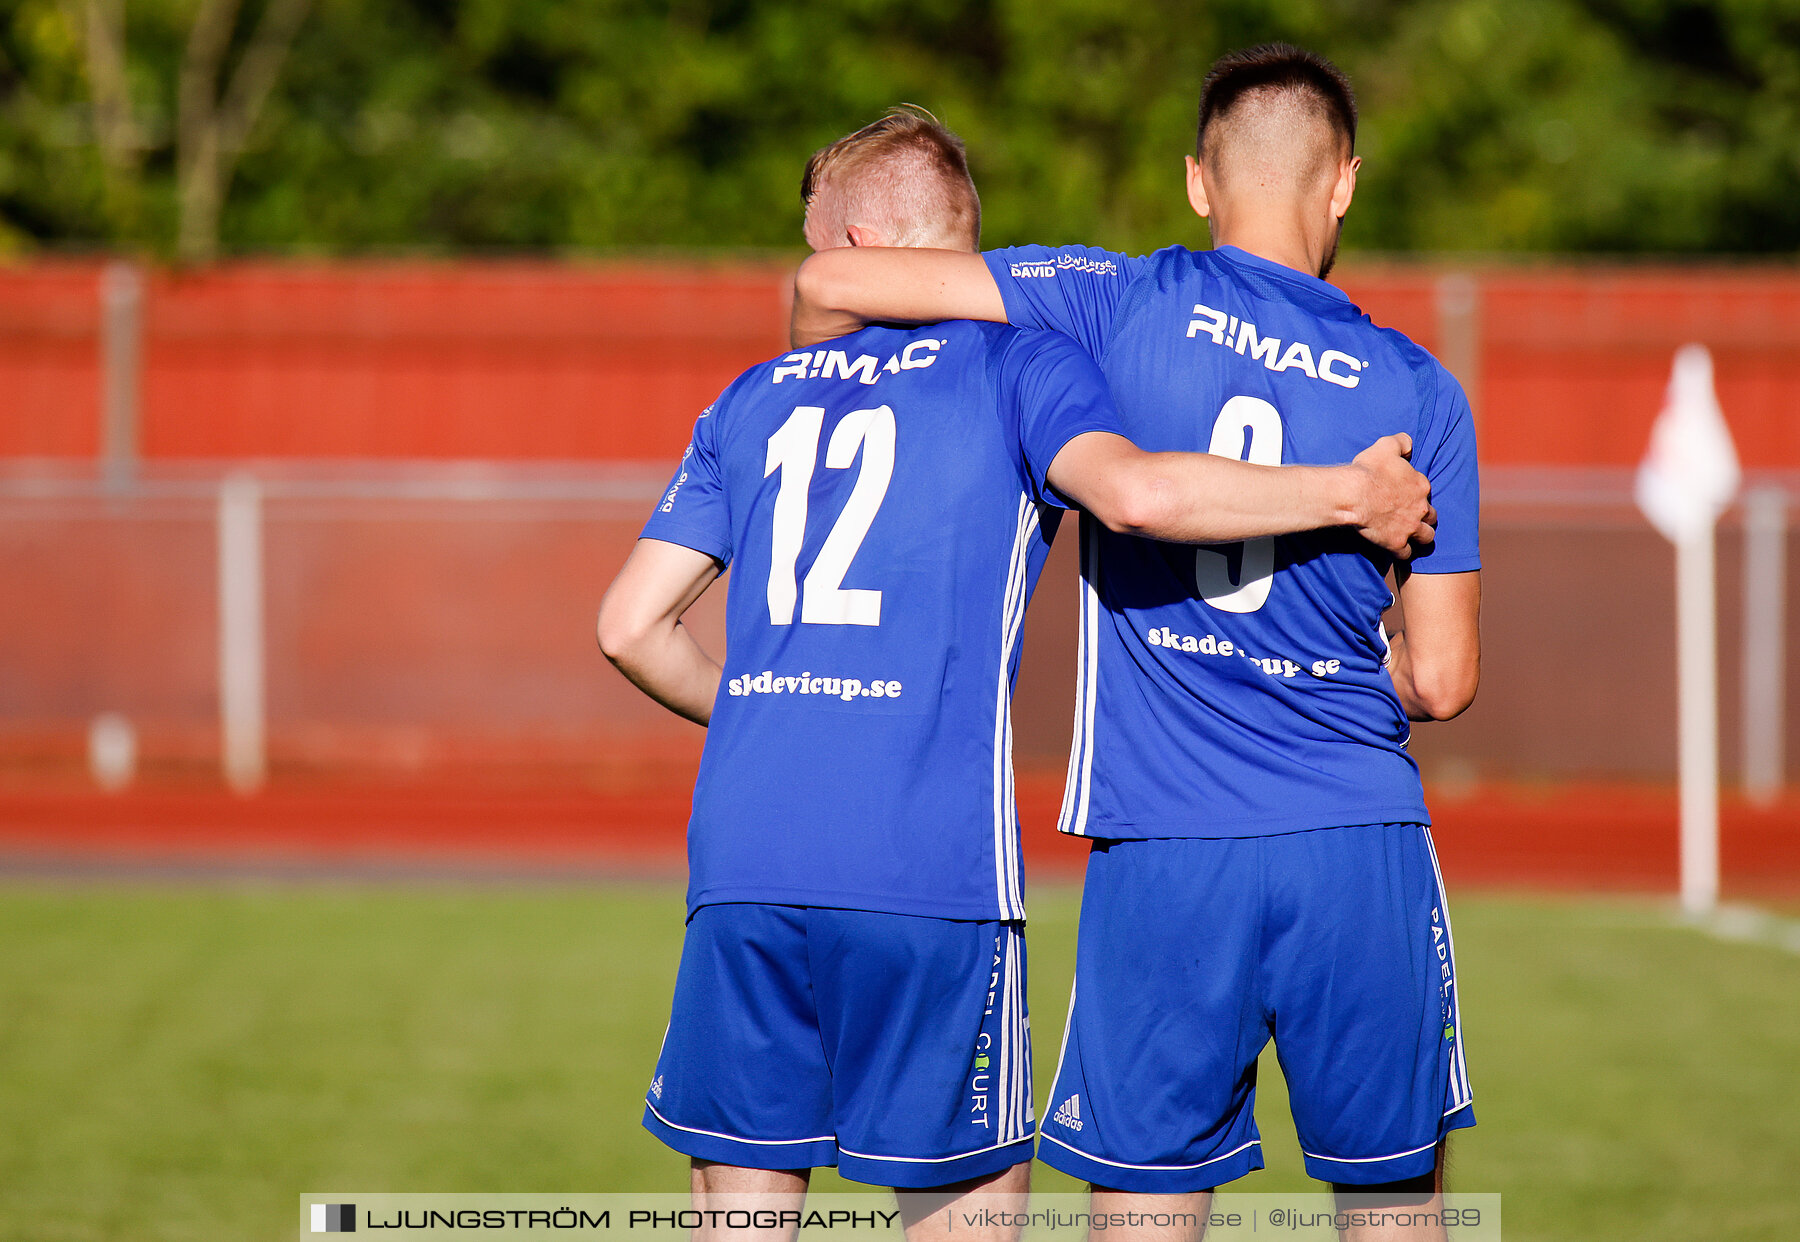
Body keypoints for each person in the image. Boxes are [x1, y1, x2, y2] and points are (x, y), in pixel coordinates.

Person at [599, 107, 1434, 1242]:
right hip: (928, 866)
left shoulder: (750, 399)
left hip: (740, 860)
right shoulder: (1023, 364)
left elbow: (631, 627)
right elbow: (1138, 495)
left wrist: (770, 707)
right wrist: (1352, 493)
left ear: (855, 246)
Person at [791, 47, 1482, 1242]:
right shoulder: (1421, 391)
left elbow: (838, 283)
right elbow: (1445, 679)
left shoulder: (1111, 298)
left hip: (1166, 843)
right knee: (1391, 1205)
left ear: (1198, 183)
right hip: (1357, 840)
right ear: (1346, 184)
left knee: (1145, 1206)